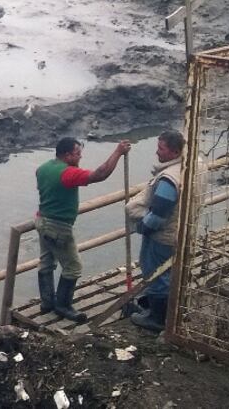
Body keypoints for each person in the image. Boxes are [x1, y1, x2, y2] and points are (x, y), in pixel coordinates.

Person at [36, 137, 132, 322]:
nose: (80, 156)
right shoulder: (68, 174)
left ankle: (47, 302)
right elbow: (100, 174)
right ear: (66, 155)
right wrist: (118, 152)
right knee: (73, 267)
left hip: (42, 221)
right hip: (58, 226)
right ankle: (63, 306)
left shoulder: (43, 168)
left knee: (47, 262)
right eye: (77, 154)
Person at [125, 130, 185, 332]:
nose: (157, 152)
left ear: (175, 151)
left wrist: (142, 227)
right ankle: (164, 312)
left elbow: (158, 215)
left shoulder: (169, 179)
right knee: (169, 273)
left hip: (163, 236)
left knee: (157, 274)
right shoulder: (192, 165)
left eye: (161, 148)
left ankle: (157, 319)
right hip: (180, 232)